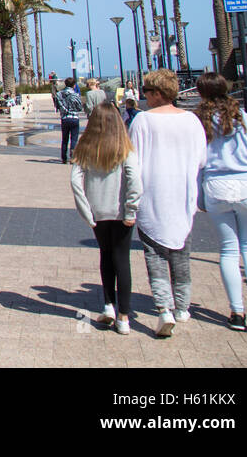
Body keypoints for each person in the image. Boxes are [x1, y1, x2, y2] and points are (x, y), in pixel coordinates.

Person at [129, 68, 207, 338]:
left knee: (155, 255)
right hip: (183, 193)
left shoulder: (142, 121)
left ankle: (164, 307)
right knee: (181, 251)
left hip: (151, 194)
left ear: (158, 93)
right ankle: (183, 307)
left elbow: (133, 161)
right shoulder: (192, 121)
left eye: (147, 92)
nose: (144, 96)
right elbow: (201, 159)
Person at [195, 73, 247, 332]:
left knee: (229, 250)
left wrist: (199, 195)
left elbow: (198, 163)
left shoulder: (201, 121)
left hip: (216, 186)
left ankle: (236, 312)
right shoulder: (242, 118)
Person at [71, 104, 143, 335]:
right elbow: (134, 180)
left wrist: (86, 212)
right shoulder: (124, 146)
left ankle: (109, 306)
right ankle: (124, 317)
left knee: (106, 256)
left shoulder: (85, 146)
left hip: (98, 213)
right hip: (121, 213)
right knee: (122, 260)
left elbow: (75, 181)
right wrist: (131, 210)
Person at [56, 76, 85, 163]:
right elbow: (79, 108)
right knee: (74, 139)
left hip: (64, 118)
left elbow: (57, 106)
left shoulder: (59, 94)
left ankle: (64, 158)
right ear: (74, 85)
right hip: (74, 118)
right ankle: (73, 156)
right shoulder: (75, 95)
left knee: (64, 139)